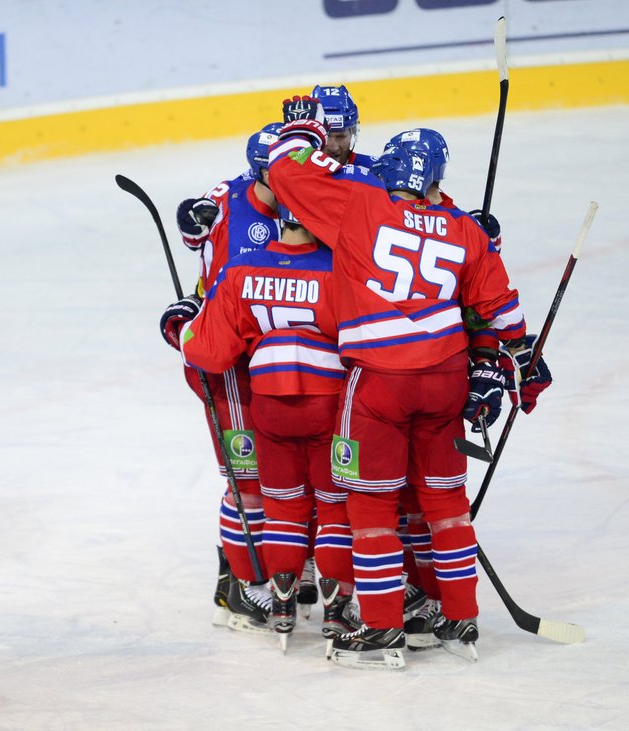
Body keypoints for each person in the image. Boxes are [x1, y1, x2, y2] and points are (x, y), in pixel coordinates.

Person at [265, 100, 552, 670]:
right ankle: (460, 618)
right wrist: (517, 357)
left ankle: (380, 629)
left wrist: (303, 134)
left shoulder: (360, 203)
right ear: (438, 179)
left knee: (371, 505)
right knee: (447, 504)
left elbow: (285, 171)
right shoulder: (466, 228)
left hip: (378, 382)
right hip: (444, 381)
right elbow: (503, 310)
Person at [176, 202, 360, 652]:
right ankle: (336, 606)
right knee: (334, 503)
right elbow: (366, 339)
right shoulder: (340, 268)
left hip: (269, 405)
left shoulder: (241, 269)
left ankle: (281, 601)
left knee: (280, 503)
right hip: (327, 403)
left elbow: (210, 353)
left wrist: (182, 327)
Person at [161, 123, 283, 633]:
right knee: (246, 476)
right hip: (230, 360)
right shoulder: (228, 196)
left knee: (287, 472)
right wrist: (191, 219)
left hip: (279, 358)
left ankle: (271, 567)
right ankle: (239, 583)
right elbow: (194, 230)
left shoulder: (311, 199)